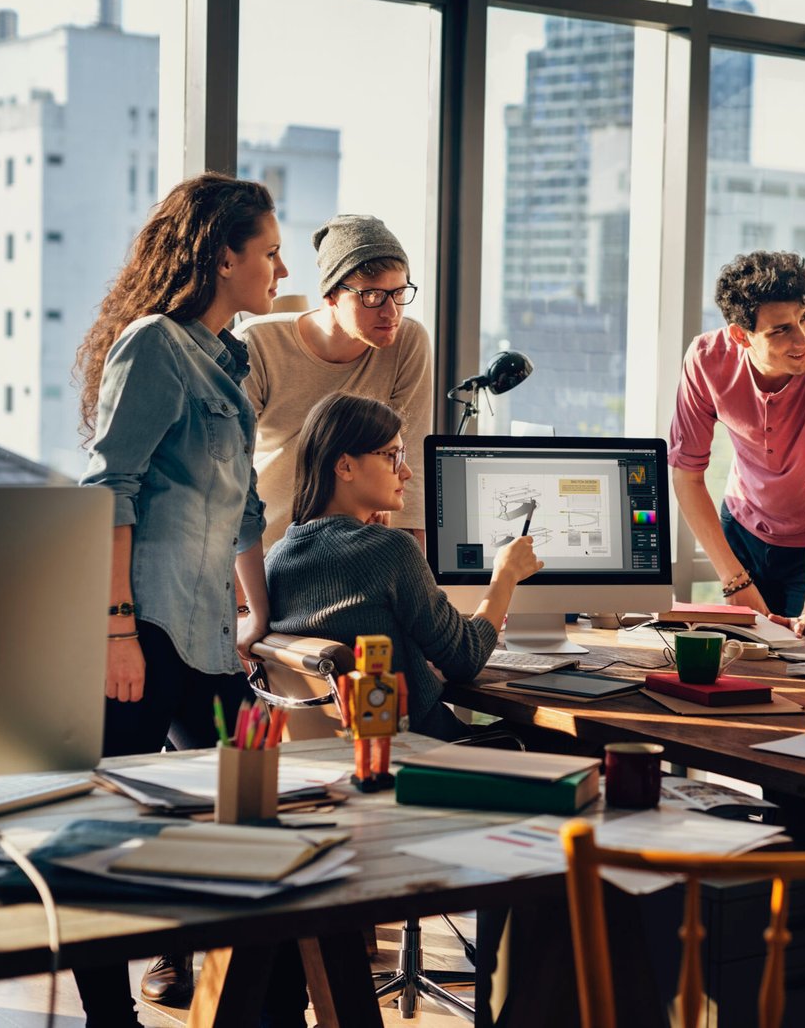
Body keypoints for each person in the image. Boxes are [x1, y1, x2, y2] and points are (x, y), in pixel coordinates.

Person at [74, 172, 285, 1025]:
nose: (276, 268)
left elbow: (245, 513)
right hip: (147, 624)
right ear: (222, 255)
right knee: (98, 831)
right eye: (266, 252)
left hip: (206, 632)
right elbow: (110, 488)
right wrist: (115, 628)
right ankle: (108, 1015)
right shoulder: (154, 345)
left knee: (253, 807)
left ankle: (254, 1006)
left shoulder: (230, 357)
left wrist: (256, 613)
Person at [265, 391, 543, 740]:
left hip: (344, 762)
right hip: (427, 754)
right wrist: (505, 575)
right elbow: (465, 660)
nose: (408, 472)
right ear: (345, 466)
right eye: (393, 457)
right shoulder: (391, 550)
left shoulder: (277, 557)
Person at [670, 251, 805, 636]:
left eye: (804, 318)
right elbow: (687, 476)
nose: (802, 340)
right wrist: (734, 580)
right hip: (743, 530)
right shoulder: (705, 359)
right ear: (740, 335)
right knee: (743, 665)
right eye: (780, 330)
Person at [238, 214, 433, 551]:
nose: (391, 313)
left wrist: (415, 573)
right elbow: (231, 472)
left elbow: (409, 458)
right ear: (331, 295)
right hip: (268, 549)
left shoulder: (408, 341)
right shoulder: (259, 344)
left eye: (399, 293)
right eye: (372, 296)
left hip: (355, 554)